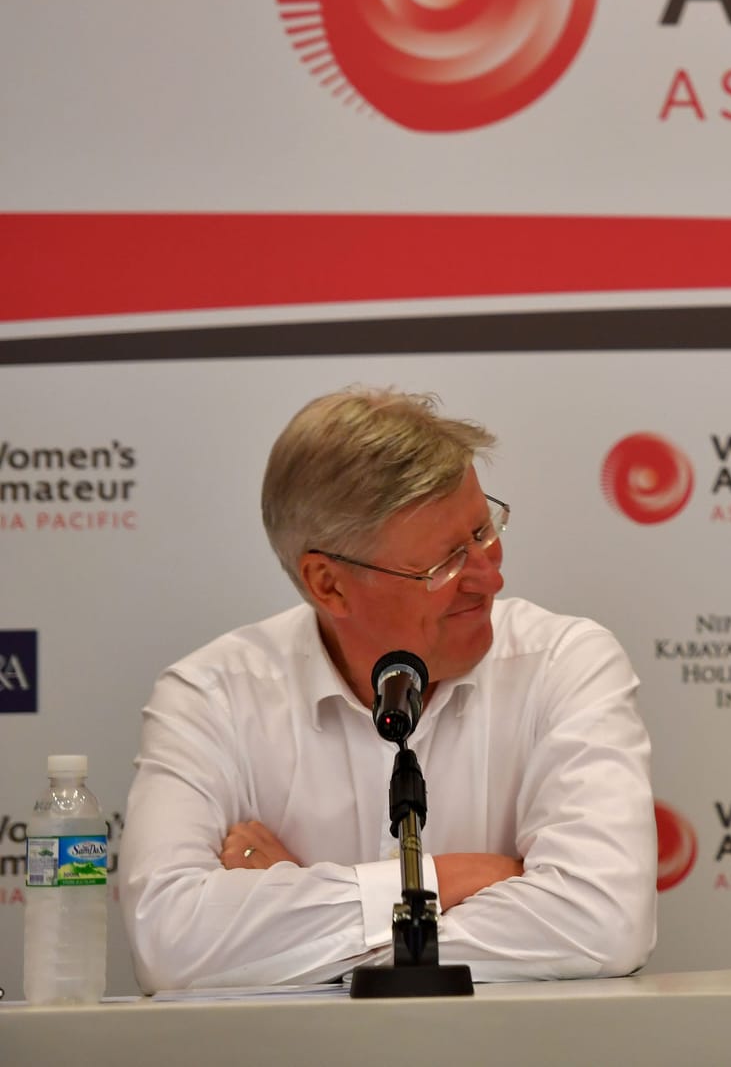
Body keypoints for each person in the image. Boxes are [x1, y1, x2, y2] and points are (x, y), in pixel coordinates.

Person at [121, 388, 656, 990]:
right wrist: (447, 879)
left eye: (484, 531)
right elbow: (167, 941)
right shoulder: (211, 697)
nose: (490, 575)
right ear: (330, 586)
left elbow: (602, 921)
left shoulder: (565, 664)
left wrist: (296, 924)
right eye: (448, 561)